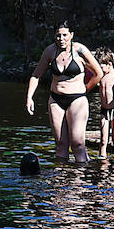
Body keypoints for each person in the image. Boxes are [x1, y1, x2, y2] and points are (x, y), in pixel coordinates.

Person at [25, 21, 101, 161]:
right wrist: (30, 97)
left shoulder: (80, 50)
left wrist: (86, 89)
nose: (61, 39)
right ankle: (60, 178)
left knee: (78, 143)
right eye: (58, 36)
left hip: (77, 99)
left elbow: (98, 73)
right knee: (61, 144)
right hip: (56, 99)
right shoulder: (50, 51)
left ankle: (79, 178)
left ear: (71, 35)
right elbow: (36, 75)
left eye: (64, 35)